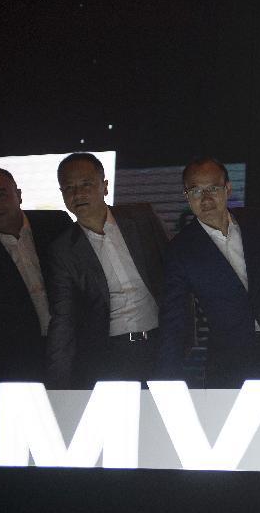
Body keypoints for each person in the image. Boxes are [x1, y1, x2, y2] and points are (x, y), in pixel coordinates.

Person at [157, 157, 260, 388]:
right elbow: (174, 319)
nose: (205, 199)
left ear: (228, 188)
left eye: (213, 188)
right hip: (230, 361)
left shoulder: (259, 221)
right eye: (196, 191)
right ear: (186, 196)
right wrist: (167, 383)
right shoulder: (180, 250)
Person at [46, 153, 167, 389]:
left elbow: (173, 275)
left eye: (86, 184)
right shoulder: (62, 250)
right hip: (109, 354)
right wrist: (57, 385)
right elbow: (63, 318)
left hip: (161, 343)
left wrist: (185, 337)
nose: (77, 194)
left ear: (104, 186)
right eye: (68, 187)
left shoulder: (141, 218)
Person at [0, 168, 72, 385]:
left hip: (72, 346)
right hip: (17, 360)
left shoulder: (56, 224)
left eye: (1, 194)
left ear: (18, 195)